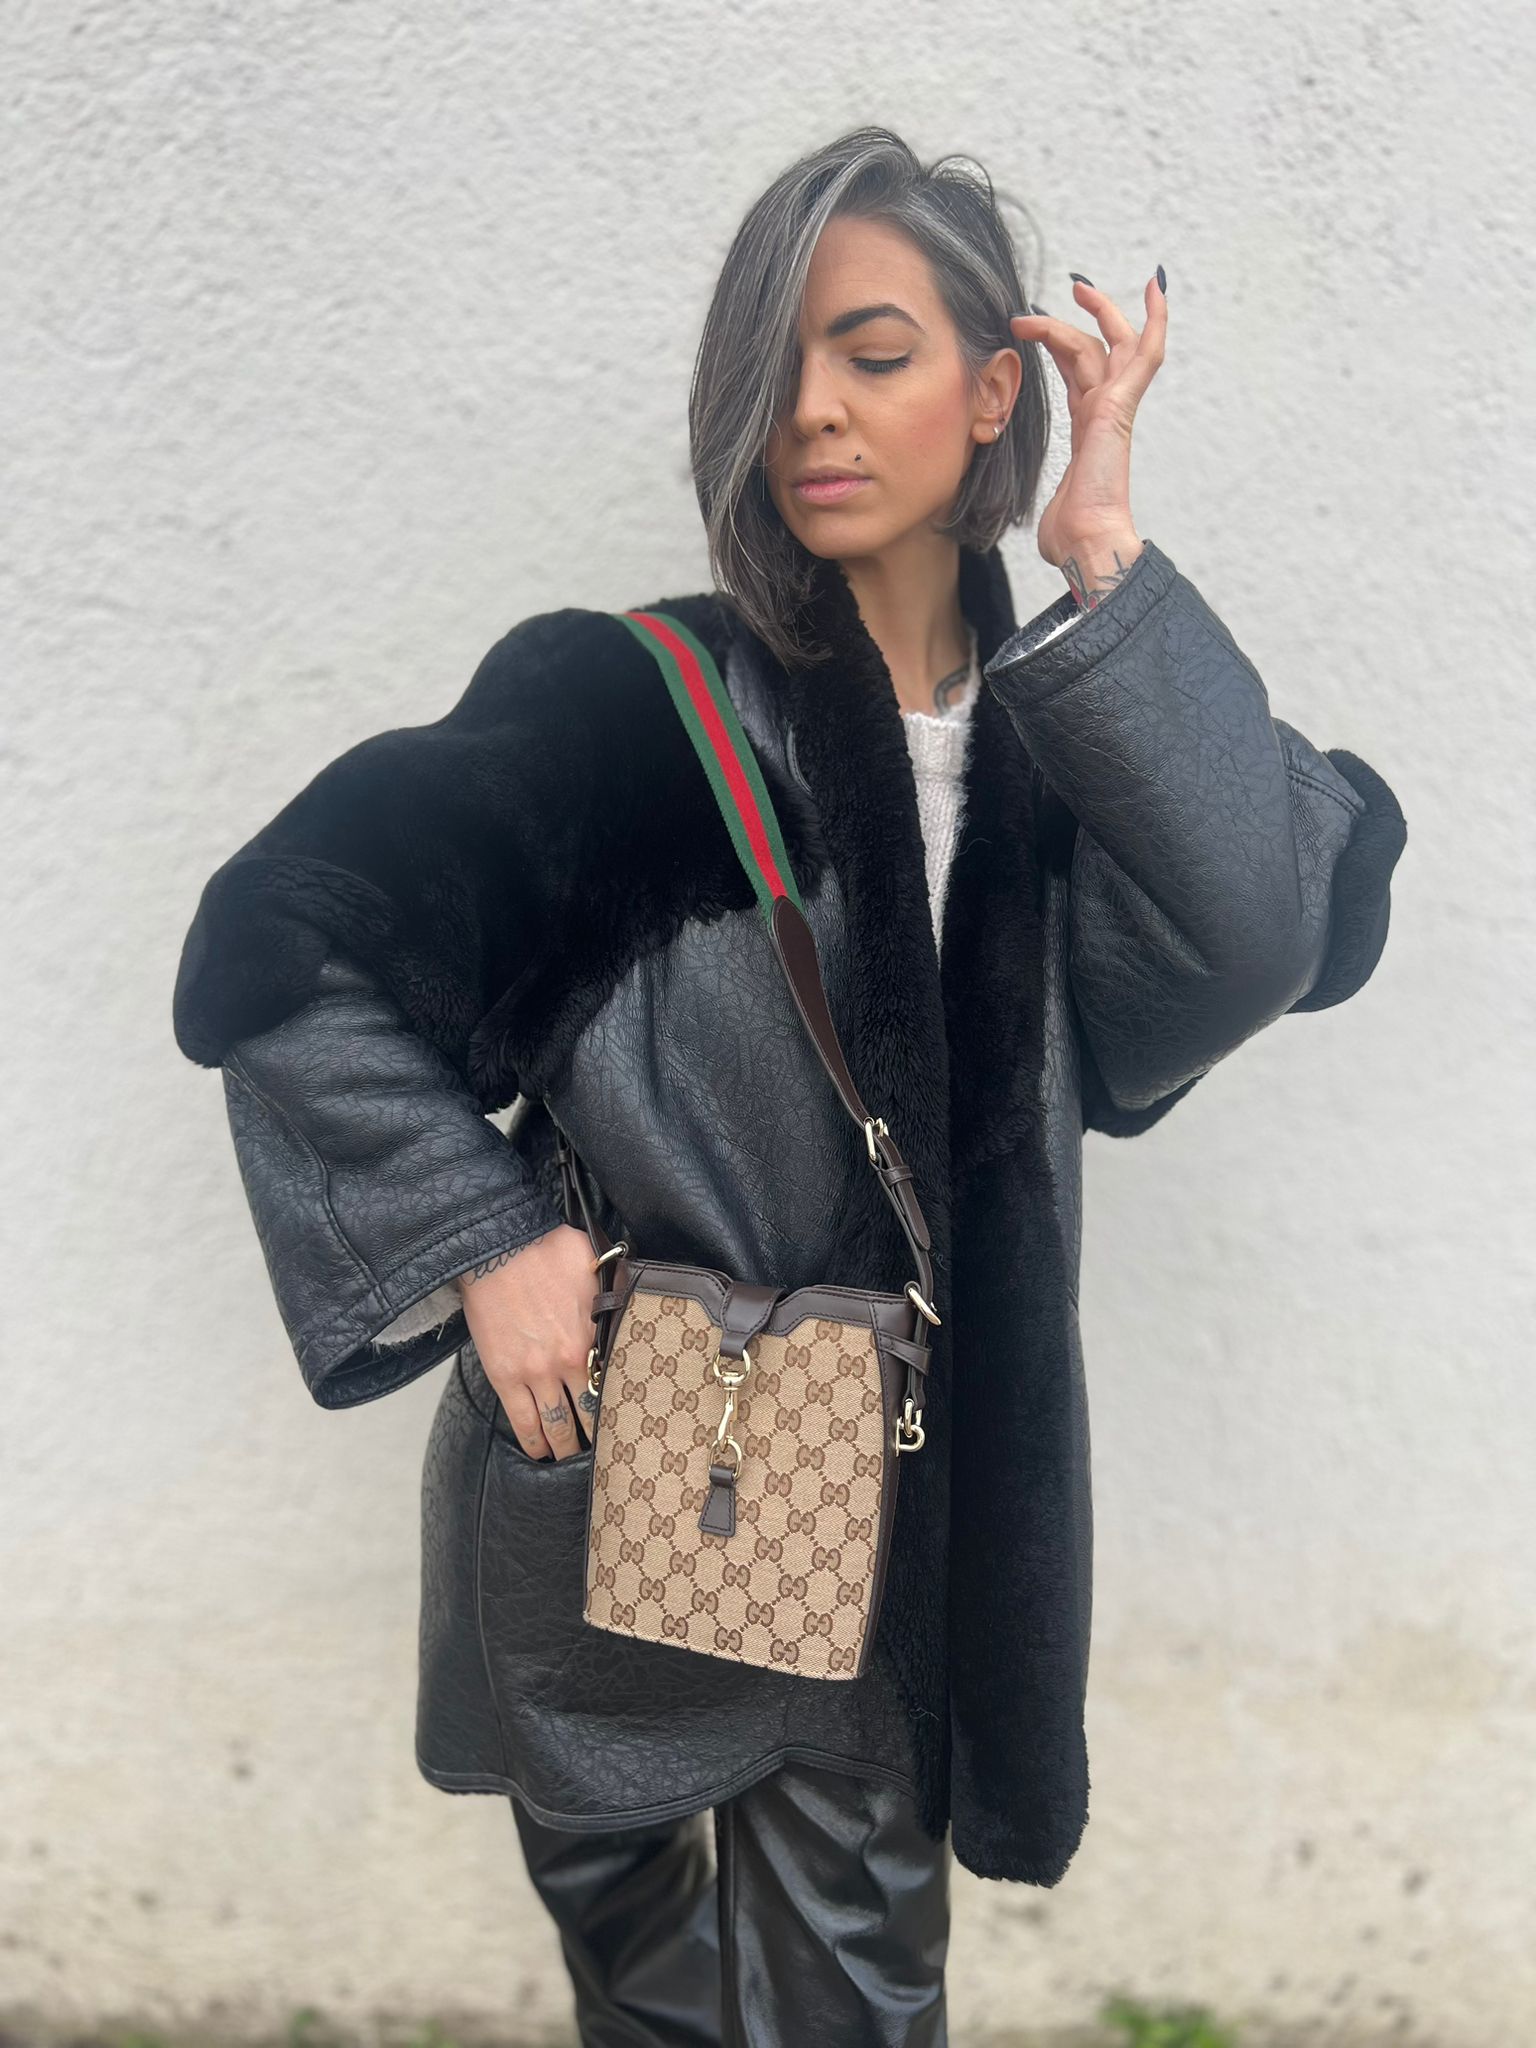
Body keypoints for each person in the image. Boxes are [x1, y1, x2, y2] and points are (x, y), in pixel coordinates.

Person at [171, 127, 1407, 2046]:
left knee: (852, 1999)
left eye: (877, 352)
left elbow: (1261, 930)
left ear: (993, 392)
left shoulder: (1078, 757)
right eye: (781, 361)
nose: (813, 407)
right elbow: (282, 947)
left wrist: (1103, 563)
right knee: (638, 1968)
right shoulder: (620, 712)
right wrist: (479, 1235)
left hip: (893, 1510)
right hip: (614, 1471)